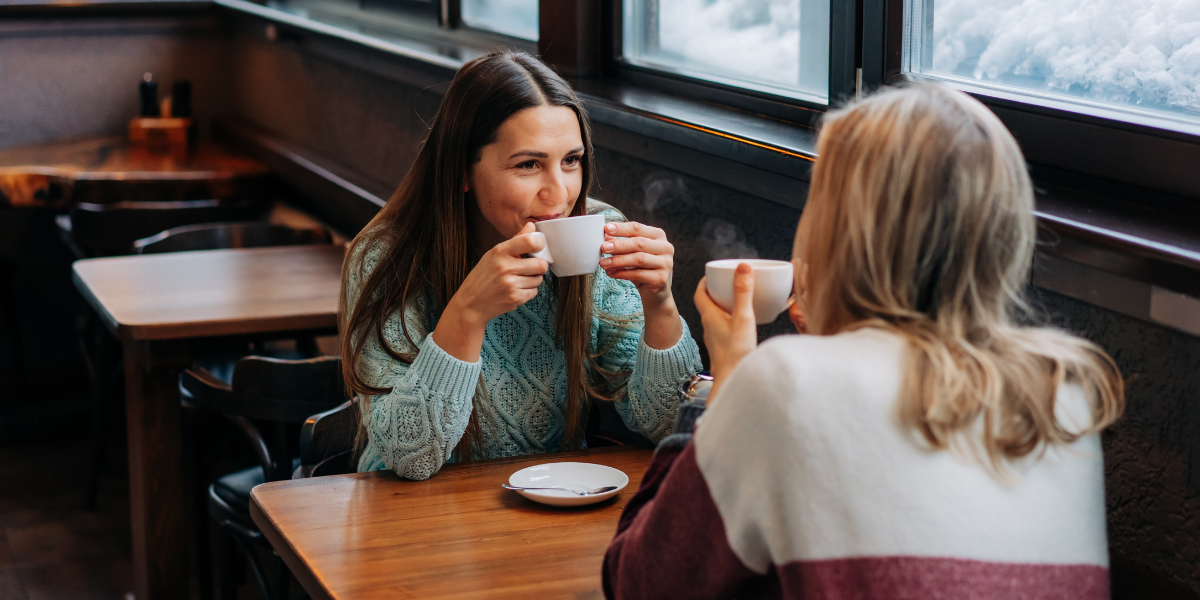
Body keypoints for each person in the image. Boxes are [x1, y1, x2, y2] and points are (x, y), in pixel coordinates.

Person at [603, 84, 1125, 598]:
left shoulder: (785, 382)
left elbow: (637, 580)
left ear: (838, 230)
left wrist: (727, 385)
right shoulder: (1065, 392)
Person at [339, 50, 702, 481]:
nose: (559, 193)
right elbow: (410, 456)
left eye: (571, 160)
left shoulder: (601, 233)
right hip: (410, 514)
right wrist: (468, 313)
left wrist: (660, 303)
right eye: (528, 164)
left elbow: (668, 426)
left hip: (554, 504)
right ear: (462, 171)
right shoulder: (387, 259)